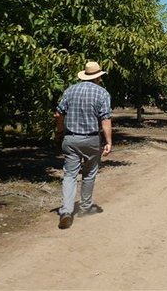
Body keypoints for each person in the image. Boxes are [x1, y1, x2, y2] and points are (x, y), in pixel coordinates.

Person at [54, 61, 113, 229]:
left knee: (69, 175)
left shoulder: (70, 90)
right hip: (91, 140)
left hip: (71, 139)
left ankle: (66, 211)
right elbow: (105, 120)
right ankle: (85, 208)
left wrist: (59, 132)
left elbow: (58, 114)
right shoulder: (102, 93)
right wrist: (108, 142)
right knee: (89, 173)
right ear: (98, 77)